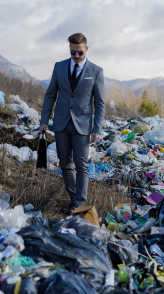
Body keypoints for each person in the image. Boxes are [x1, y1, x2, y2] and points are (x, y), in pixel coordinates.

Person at [39, 33, 105, 214]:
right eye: (73, 53)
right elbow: (50, 94)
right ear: (69, 50)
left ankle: (80, 205)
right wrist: (44, 120)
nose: (76, 56)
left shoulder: (96, 71)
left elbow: (99, 103)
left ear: (87, 49)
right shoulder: (59, 67)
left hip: (83, 125)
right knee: (65, 164)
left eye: (80, 53)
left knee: (82, 165)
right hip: (61, 123)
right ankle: (74, 200)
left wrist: (96, 129)